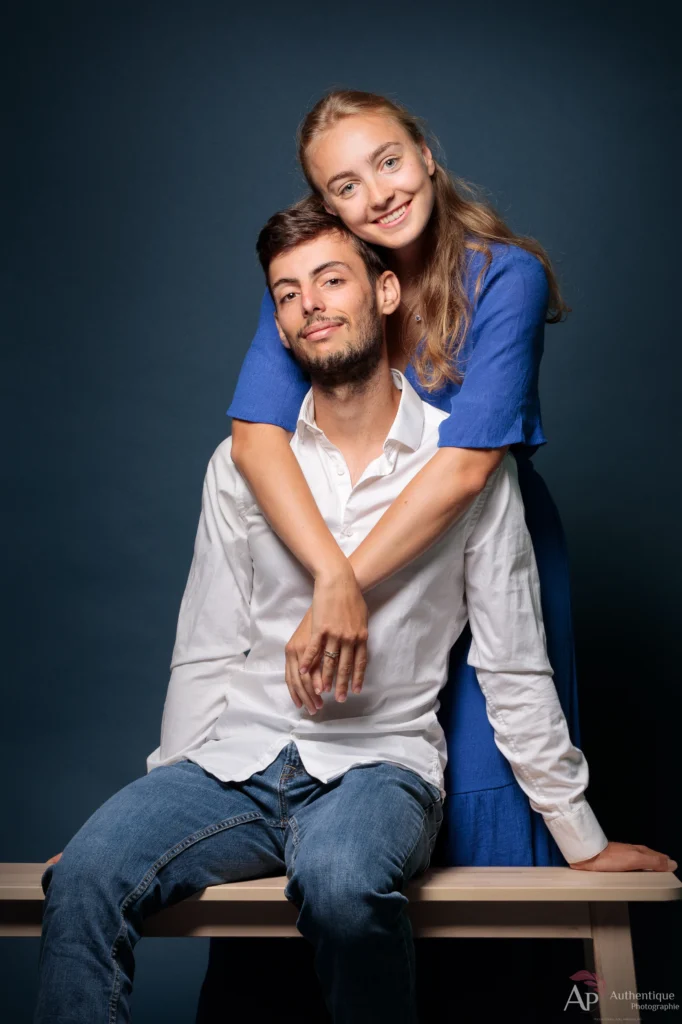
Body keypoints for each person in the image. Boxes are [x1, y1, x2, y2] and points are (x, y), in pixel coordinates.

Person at [37, 203, 675, 1024]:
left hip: (382, 768)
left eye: (331, 281)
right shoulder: (240, 467)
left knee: (340, 882)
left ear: (383, 293)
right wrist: (136, 830)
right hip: (234, 765)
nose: (310, 305)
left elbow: (514, 665)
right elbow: (205, 649)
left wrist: (582, 839)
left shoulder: (468, 472)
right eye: (288, 293)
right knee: (87, 874)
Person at [226, 88, 584, 869]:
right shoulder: (317, 281)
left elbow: (464, 472)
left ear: (424, 155)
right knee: (348, 788)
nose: (378, 193)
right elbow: (254, 442)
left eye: (387, 162)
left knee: (492, 786)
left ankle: (508, 993)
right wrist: (331, 579)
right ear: (324, 204)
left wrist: (339, 590)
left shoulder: (507, 277)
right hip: (340, 554)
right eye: (344, 186)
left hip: (480, 545)